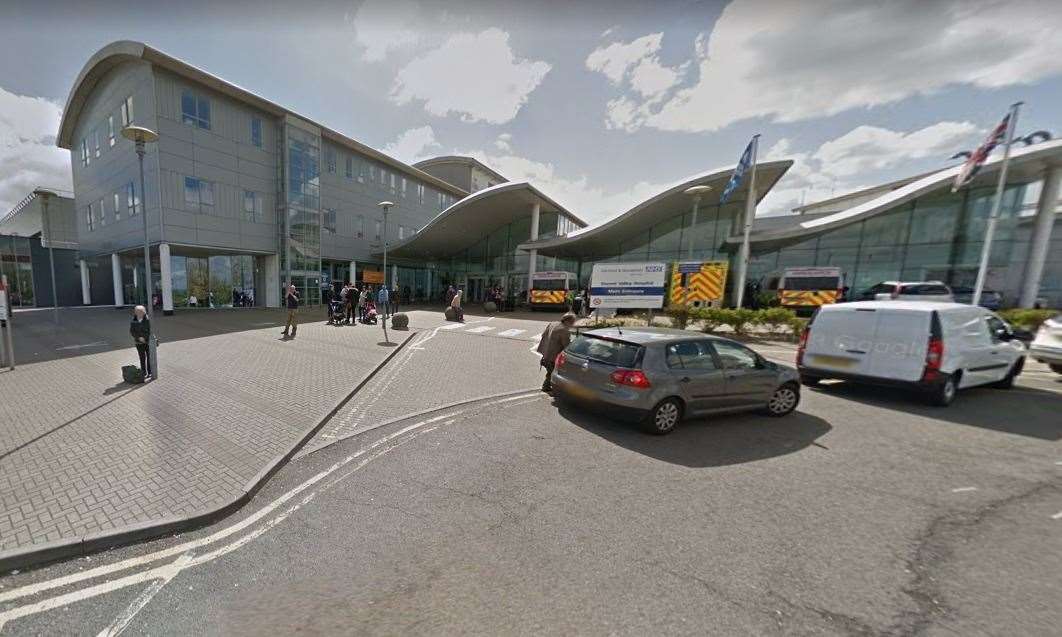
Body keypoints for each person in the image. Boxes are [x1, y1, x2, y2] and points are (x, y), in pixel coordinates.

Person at [536, 313, 576, 393]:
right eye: (572, 322)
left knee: (550, 371)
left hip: (545, 352)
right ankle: (547, 386)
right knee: (553, 372)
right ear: (568, 321)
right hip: (553, 356)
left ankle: (547, 386)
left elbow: (543, 335)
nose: (573, 324)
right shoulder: (564, 330)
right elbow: (566, 345)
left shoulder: (552, 323)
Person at [130, 305, 152, 379]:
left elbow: (150, 330)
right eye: (138, 312)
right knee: (142, 357)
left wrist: (144, 337)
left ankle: (150, 372)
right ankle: (143, 372)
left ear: (144, 312)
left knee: (150, 357)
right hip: (138, 342)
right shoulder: (133, 320)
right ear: (135, 312)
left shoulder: (148, 320)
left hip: (148, 342)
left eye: (141, 312)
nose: (139, 313)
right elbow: (132, 331)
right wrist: (139, 337)